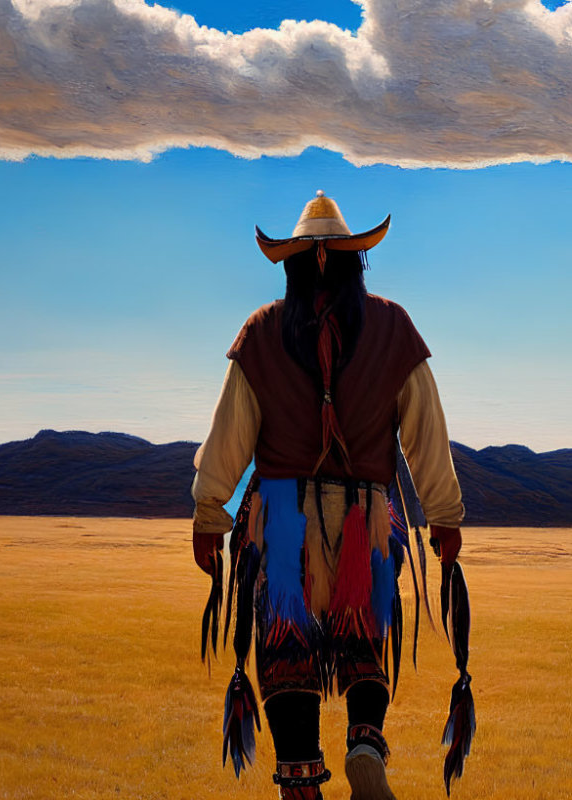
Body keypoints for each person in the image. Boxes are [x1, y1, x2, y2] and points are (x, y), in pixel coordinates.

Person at [191, 191, 465, 800]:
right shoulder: (394, 326)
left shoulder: (262, 332)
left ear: (294, 264)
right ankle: (365, 744)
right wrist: (444, 516)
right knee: (365, 639)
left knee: (287, 647)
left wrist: (210, 514)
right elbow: (426, 433)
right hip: (365, 519)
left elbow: (228, 435)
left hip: (284, 521)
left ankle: (301, 782)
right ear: (354, 262)